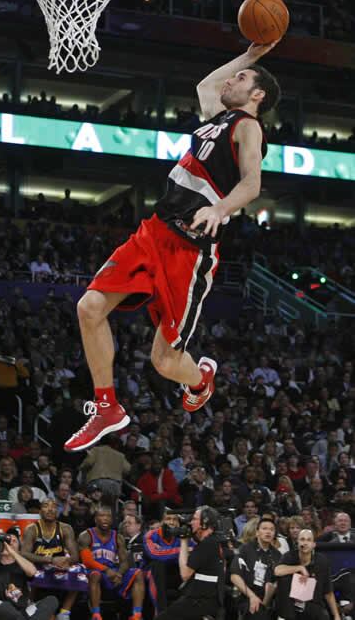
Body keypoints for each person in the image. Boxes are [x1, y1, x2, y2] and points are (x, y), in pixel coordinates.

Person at [64, 41, 281, 452]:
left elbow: (251, 183)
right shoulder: (218, 117)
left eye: (242, 78)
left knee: (164, 362)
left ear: (258, 95)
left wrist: (220, 208)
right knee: (89, 307)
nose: (231, 79)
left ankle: (201, 380)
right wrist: (252, 55)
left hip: (190, 249)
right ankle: (106, 406)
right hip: (154, 231)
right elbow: (206, 85)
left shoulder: (248, 127)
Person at [154, 506, 225, 620]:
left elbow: (185, 574)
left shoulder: (206, 544)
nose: (191, 522)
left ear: (205, 522)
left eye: (195, 519)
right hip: (207, 598)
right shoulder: (215, 541)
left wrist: (183, 541)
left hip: (200, 600)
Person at [21, 499, 88, 620]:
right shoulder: (32, 529)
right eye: (46, 506)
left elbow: (75, 556)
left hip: (59, 564)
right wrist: (50, 560)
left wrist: (67, 561)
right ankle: (29, 604)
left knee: (80, 570)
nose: (50, 509)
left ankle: (64, 612)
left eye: (54, 507)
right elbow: (24, 554)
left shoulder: (66, 528)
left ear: (58, 511)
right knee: (29, 571)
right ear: (40, 510)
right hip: (38, 564)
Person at [0, 526, 58, 620]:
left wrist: (12, 552)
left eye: (14, 541)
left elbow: (32, 572)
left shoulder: (22, 564)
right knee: (5, 606)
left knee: (51, 600)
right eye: (6, 541)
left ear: (19, 546)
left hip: (21, 612)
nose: (9, 543)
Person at [79, 507, 145, 620]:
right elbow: (87, 561)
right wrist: (106, 570)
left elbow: (125, 561)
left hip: (113, 573)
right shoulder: (86, 535)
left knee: (138, 573)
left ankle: (137, 614)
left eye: (108, 516)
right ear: (95, 519)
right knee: (95, 574)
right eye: (102, 516)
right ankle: (96, 614)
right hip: (94, 572)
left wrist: (119, 573)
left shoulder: (117, 537)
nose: (105, 519)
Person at [274, 528, 341, 620]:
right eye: (302, 539)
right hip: (290, 606)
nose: (305, 543)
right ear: (297, 542)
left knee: (323, 615)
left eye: (309, 540)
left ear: (314, 545)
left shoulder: (322, 562)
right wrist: (300, 568)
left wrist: (336, 615)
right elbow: (277, 571)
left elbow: (328, 592)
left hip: (311, 605)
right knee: (283, 579)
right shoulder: (289, 556)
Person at [230, 516, 282, 619]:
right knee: (258, 613)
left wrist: (272, 590)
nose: (268, 532)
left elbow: (278, 581)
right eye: (264, 528)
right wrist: (252, 596)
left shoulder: (277, 555)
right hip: (247, 596)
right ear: (257, 532)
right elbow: (234, 576)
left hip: (269, 599)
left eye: (271, 529)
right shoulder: (246, 549)